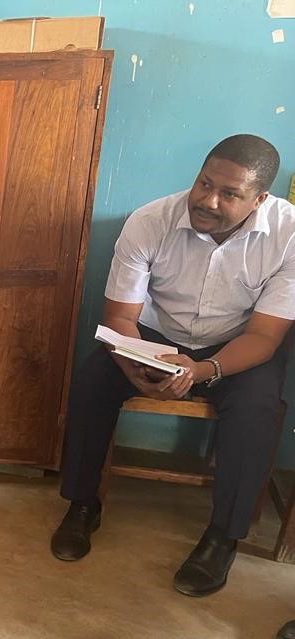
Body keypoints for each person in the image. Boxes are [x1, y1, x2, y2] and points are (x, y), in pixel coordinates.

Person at [52, 134, 295, 598]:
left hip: (236, 344)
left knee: (258, 407)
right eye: (204, 183)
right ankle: (83, 504)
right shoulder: (150, 221)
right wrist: (137, 365)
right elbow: (121, 316)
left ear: (260, 198)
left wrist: (200, 372)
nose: (207, 200)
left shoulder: (289, 235)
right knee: (92, 381)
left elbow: (265, 336)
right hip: (155, 337)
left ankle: (223, 536)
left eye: (229, 194)